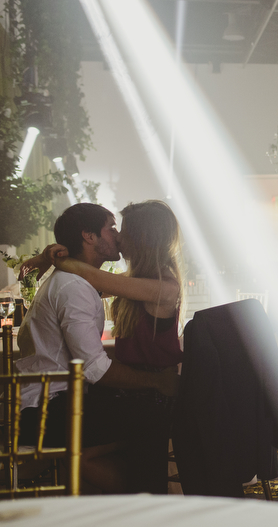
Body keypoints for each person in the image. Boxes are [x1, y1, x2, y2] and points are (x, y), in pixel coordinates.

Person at [16, 202, 179, 493]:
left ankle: (141, 501)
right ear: (89, 236)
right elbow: (94, 367)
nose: (118, 236)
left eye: (121, 230)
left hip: (45, 405)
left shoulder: (142, 284)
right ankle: (148, 501)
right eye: (112, 229)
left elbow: (98, 280)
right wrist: (156, 381)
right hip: (47, 409)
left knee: (144, 416)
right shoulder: (74, 286)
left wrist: (54, 258)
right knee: (148, 419)